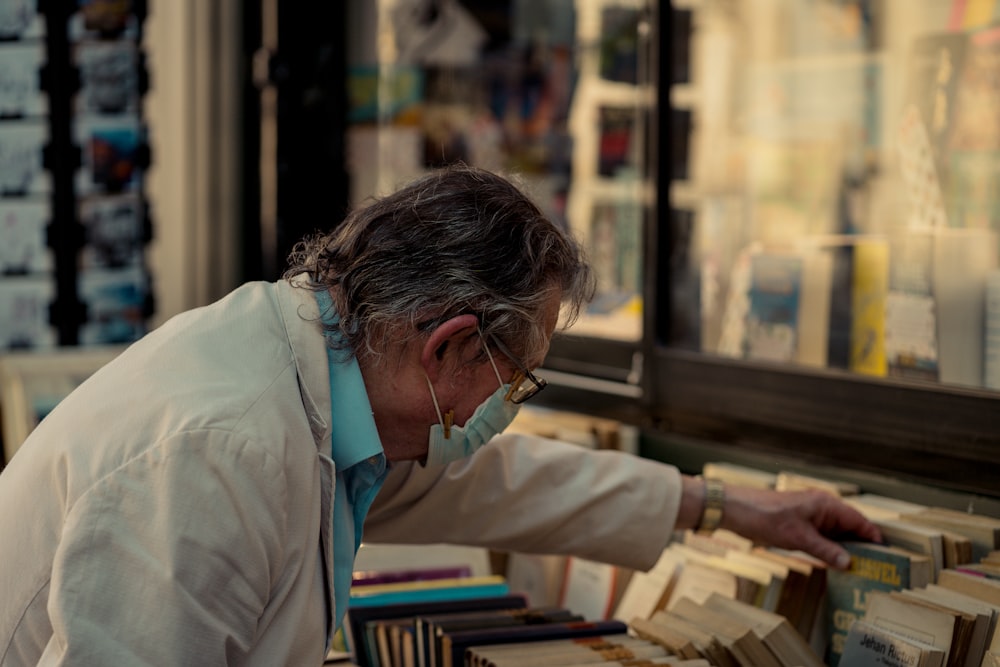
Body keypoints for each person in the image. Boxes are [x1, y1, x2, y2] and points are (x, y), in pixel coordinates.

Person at [0, 164, 880, 665]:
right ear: (450, 344)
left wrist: (721, 506)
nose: (508, 408)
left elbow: (503, 484)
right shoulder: (219, 453)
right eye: (516, 376)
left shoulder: (333, 394)